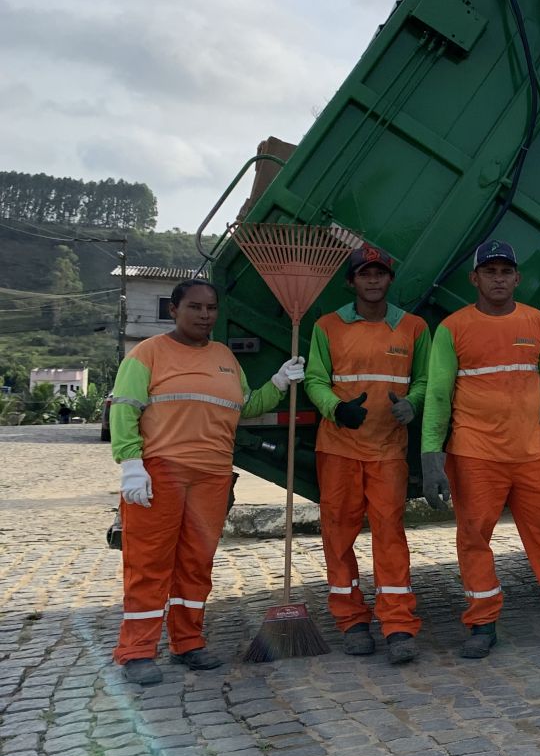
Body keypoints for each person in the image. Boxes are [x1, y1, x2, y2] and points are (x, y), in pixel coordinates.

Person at [419, 240, 540, 658]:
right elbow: (437, 395)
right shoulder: (453, 329)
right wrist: (431, 456)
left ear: (517, 278)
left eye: (506, 271)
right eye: (490, 271)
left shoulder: (538, 324)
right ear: (475, 278)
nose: (499, 278)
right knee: (474, 538)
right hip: (474, 455)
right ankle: (482, 623)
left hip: (532, 454)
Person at [109, 277, 304, 686]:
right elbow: (124, 409)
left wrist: (279, 383)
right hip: (160, 472)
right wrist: (130, 463)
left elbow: (244, 406)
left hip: (212, 475)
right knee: (149, 564)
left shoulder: (225, 358)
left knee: (196, 564)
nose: (204, 315)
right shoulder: (147, 355)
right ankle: (137, 651)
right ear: (173, 311)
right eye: (194, 307)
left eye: (211, 308)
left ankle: (188, 642)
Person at [303, 244, 430, 665]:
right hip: (338, 447)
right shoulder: (327, 326)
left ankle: (398, 625)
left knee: (389, 535)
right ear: (351, 281)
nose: (372, 280)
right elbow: (315, 380)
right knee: (338, 534)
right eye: (364, 274)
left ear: (390, 280)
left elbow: (427, 379)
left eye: (379, 273)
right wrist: (335, 408)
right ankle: (351, 621)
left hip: (388, 449)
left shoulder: (413, 328)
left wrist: (413, 402)